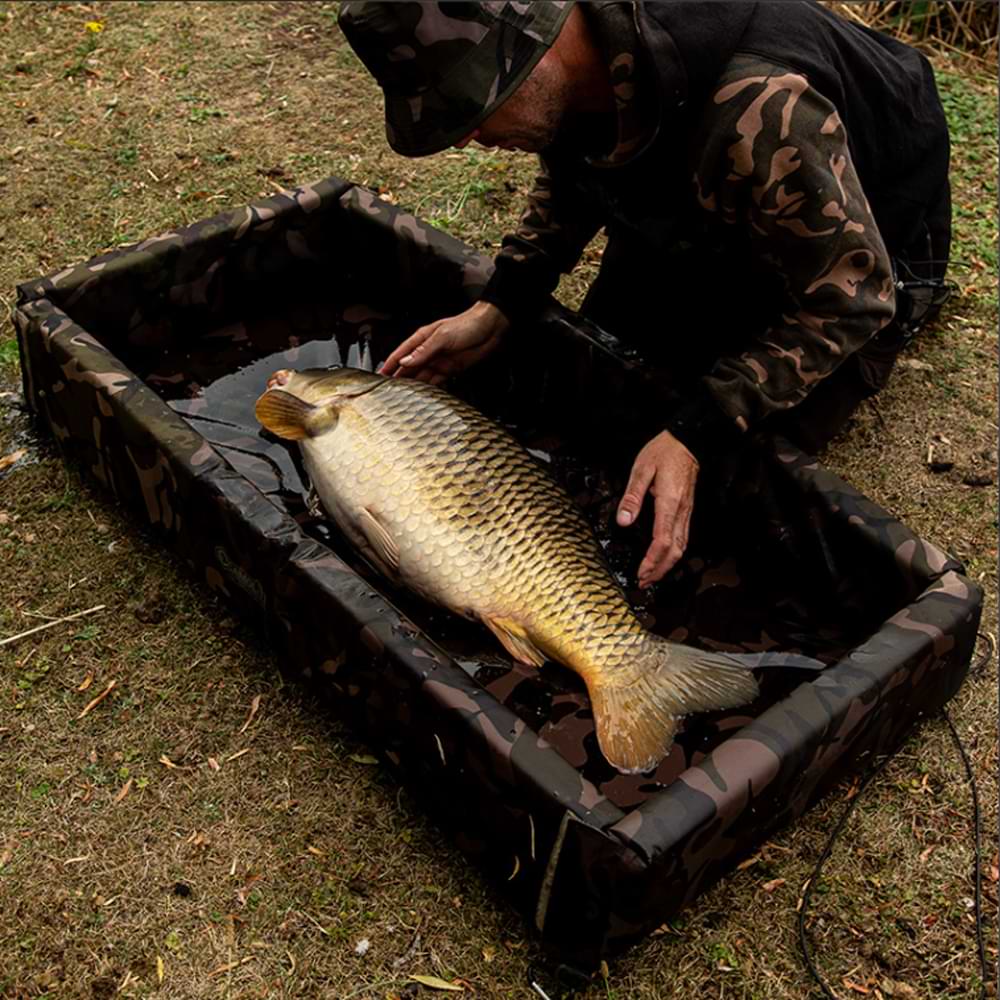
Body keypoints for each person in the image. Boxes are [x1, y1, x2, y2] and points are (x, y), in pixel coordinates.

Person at [338, 0, 952, 588]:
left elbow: (854, 297)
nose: (469, 137)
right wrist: (500, 303)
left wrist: (698, 431)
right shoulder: (574, 57)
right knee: (601, 385)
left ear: (536, 53)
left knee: (712, 483)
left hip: (866, 237)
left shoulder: (760, 105)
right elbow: (572, 164)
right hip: (715, 197)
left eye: (470, 110)